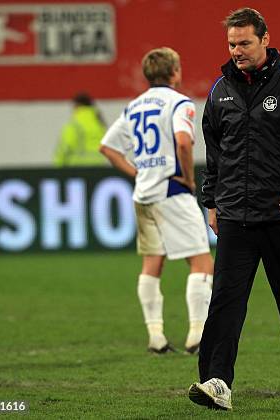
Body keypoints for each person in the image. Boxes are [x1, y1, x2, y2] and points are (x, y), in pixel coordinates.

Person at [187, 8, 280, 410]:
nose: (237, 51)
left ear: (265, 39)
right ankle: (216, 382)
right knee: (224, 304)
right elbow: (215, 157)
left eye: (245, 43)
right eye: (232, 44)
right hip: (235, 216)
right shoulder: (219, 92)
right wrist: (212, 202)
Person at [99, 47, 214, 355]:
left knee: (152, 263)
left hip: (144, 193)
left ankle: (156, 336)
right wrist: (189, 179)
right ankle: (197, 335)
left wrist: (137, 173)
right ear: (175, 72)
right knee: (202, 261)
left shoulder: (133, 106)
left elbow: (107, 148)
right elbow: (182, 141)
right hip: (171, 190)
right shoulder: (180, 103)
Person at [55, 92, 108, 166]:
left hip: (77, 170)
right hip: (98, 169)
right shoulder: (100, 124)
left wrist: (57, 168)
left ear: (77, 106)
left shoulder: (74, 125)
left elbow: (64, 149)